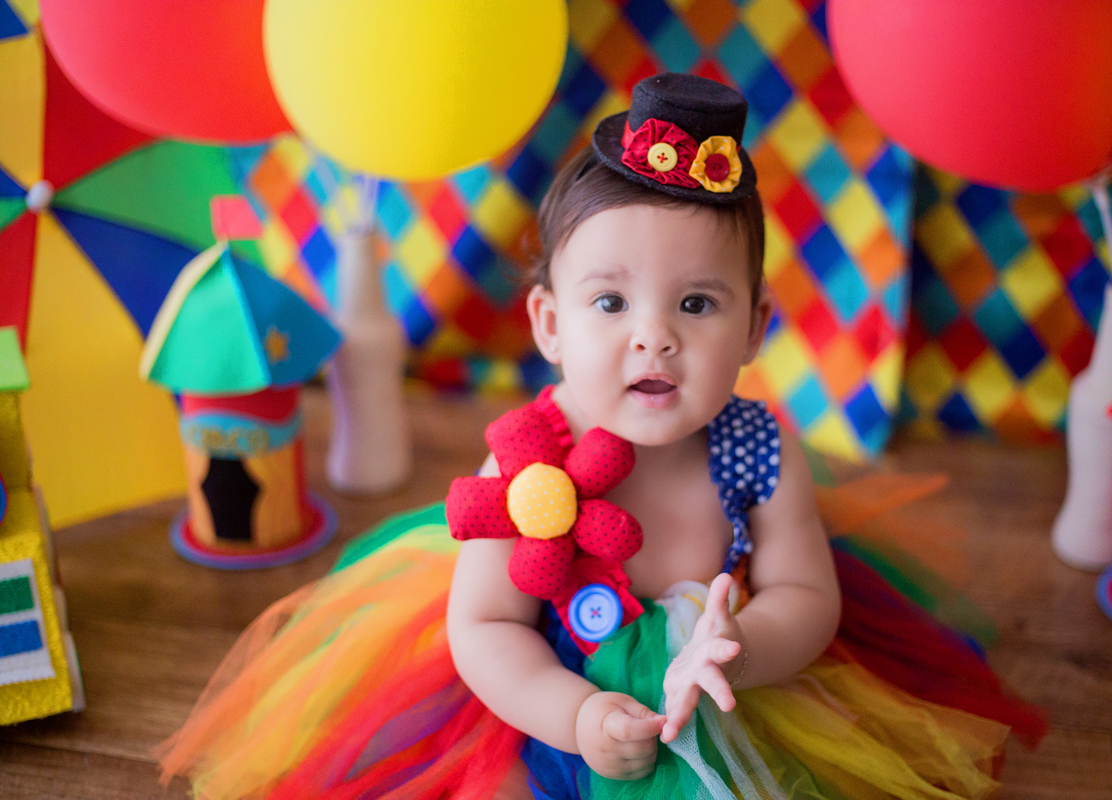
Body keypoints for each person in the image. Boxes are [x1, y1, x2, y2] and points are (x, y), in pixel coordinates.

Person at [158, 74, 1045, 800]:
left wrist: (743, 648)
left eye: (696, 304)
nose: (652, 336)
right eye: (611, 302)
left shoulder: (756, 452)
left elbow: (807, 593)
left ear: (755, 329)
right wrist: (573, 716)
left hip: (726, 705)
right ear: (549, 323)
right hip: (549, 701)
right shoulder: (524, 458)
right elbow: (486, 627)